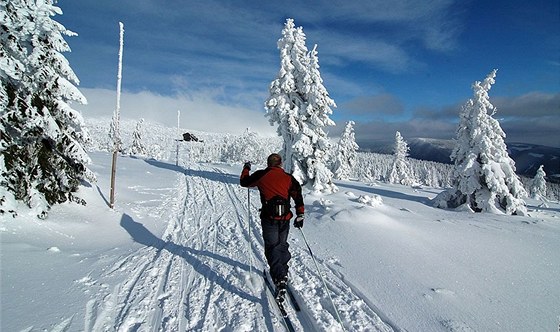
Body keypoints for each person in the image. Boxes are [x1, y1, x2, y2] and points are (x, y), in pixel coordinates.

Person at [240, 153, 304, 300]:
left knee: (272, 247)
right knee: (282, 245)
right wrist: (300, 214)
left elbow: (244, 182)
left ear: (268, 163)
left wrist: (246, 168)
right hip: (285, 219)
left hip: (269, 218)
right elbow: (298, 195)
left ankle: (279, 278)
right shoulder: (289, 178)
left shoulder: (261, 175)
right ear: (280, 163)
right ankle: (282, 271)